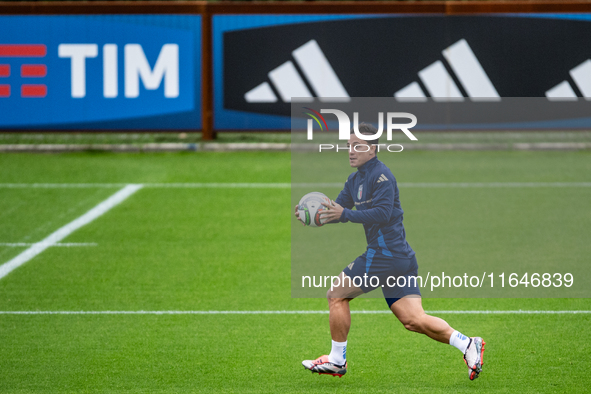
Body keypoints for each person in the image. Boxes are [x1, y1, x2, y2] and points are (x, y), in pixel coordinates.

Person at [294, 123, 485, 380]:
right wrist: (314, 214)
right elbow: (338, 210)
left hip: (385, 255)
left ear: (372, 149)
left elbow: (382, 213)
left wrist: (346, 214)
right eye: (349, 146)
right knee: (413, 320)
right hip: (399, 258)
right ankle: (467, 343)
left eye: (357, 146)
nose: (351, 151)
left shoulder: (382, 176)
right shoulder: (355, 180)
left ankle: (337, 360)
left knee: (336, 294)